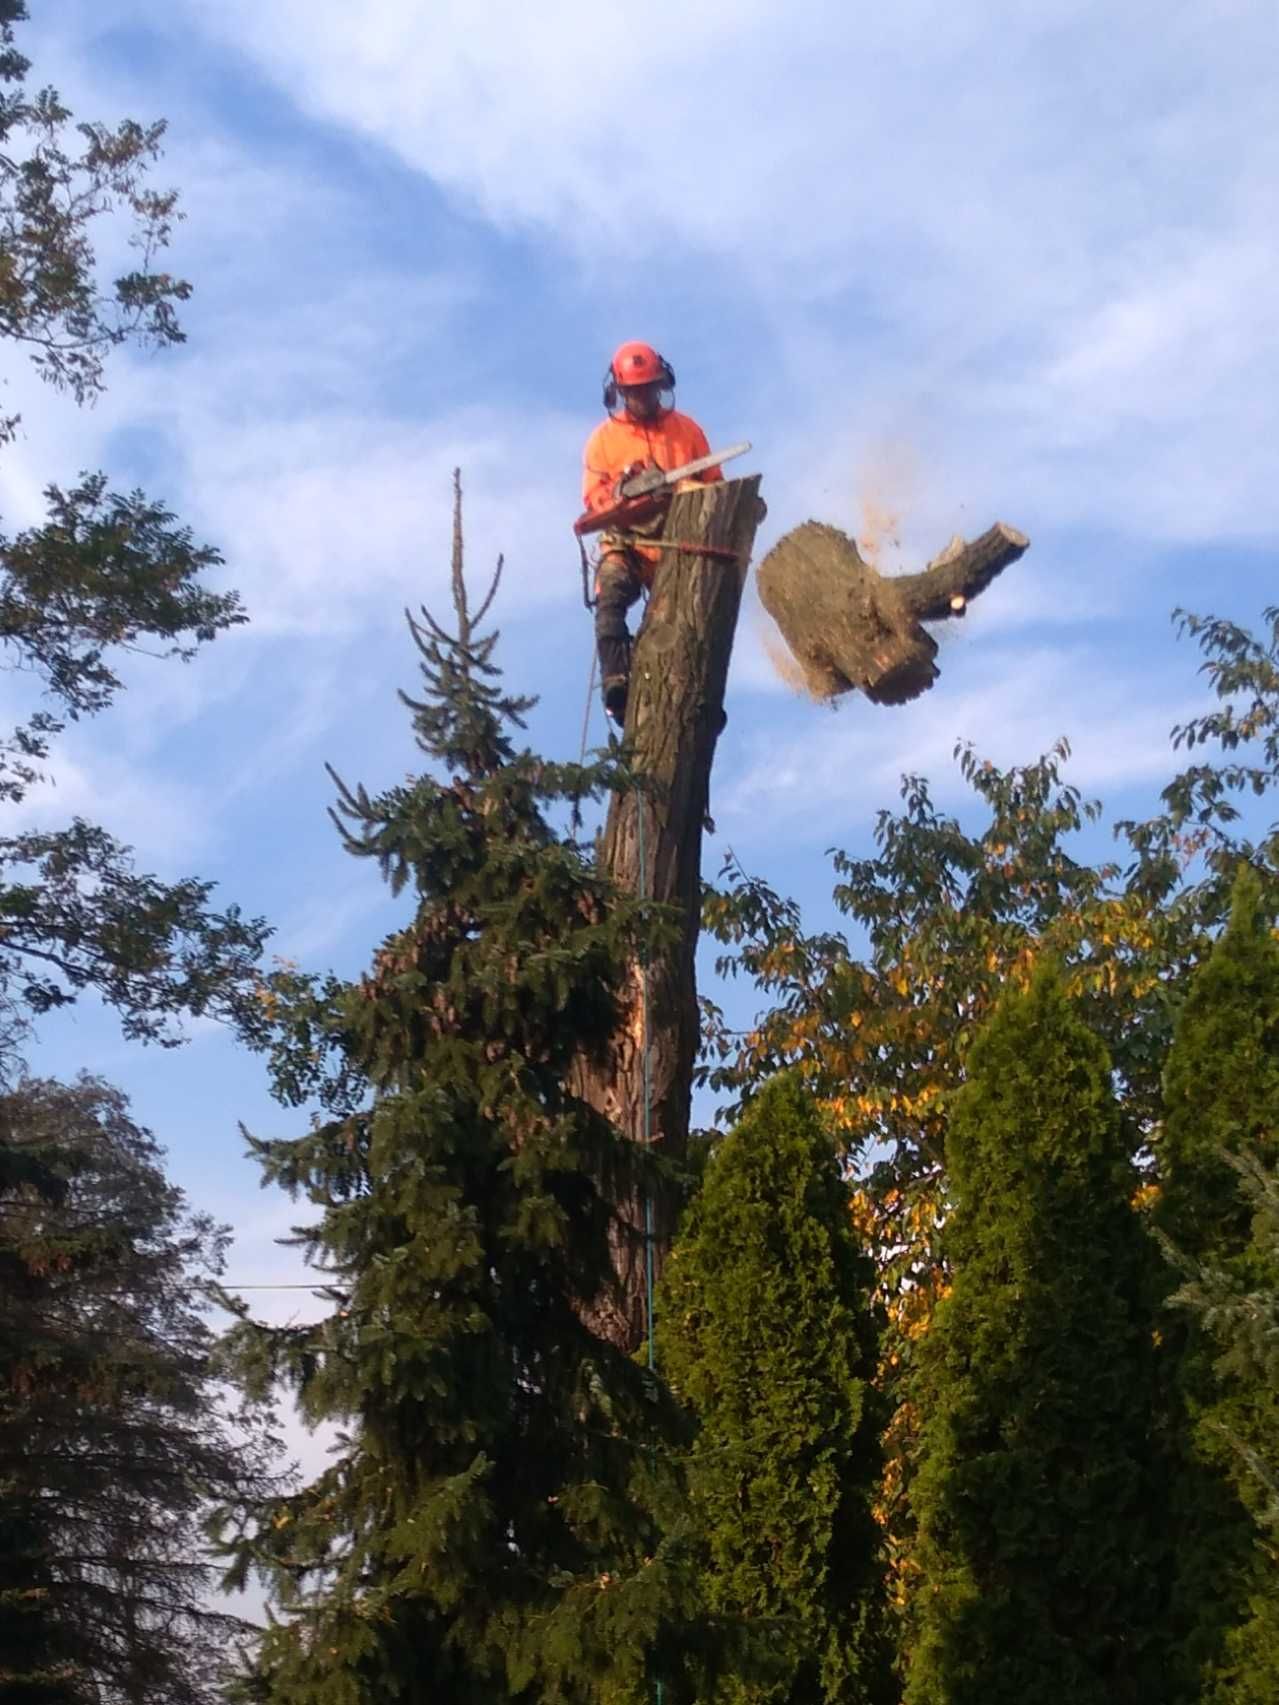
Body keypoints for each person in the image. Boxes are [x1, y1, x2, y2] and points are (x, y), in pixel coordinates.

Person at [581, 341, 722, 723]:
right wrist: (620, 490)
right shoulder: (604, 441)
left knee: (691, 620)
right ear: (620, 392)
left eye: (648, 388)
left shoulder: (686, 431)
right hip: (629, 541)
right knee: (609, 597)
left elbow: (716, 487)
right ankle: (617, 679)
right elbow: (593, 498)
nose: (643, 397)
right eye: (635, 391)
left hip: (681, 542)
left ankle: (699, 697)